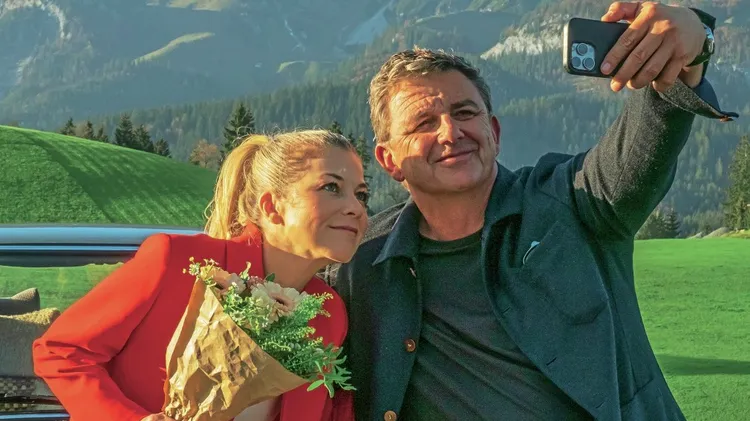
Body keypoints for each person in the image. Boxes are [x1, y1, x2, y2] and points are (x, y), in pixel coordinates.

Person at [327, 2, 738, 421]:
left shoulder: (577, 202)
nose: (451, 132)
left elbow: (650, 132)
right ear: (389, 161)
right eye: (423, 123)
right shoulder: (363, 263)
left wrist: (691, 43)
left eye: (465, 112)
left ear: (494, 132)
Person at [32, 130, 368, 421]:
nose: (355, 207)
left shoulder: (330, 314)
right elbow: (61, 352)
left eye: (361, 194)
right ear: (272, 207)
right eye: (332, 187)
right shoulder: (177, 261)